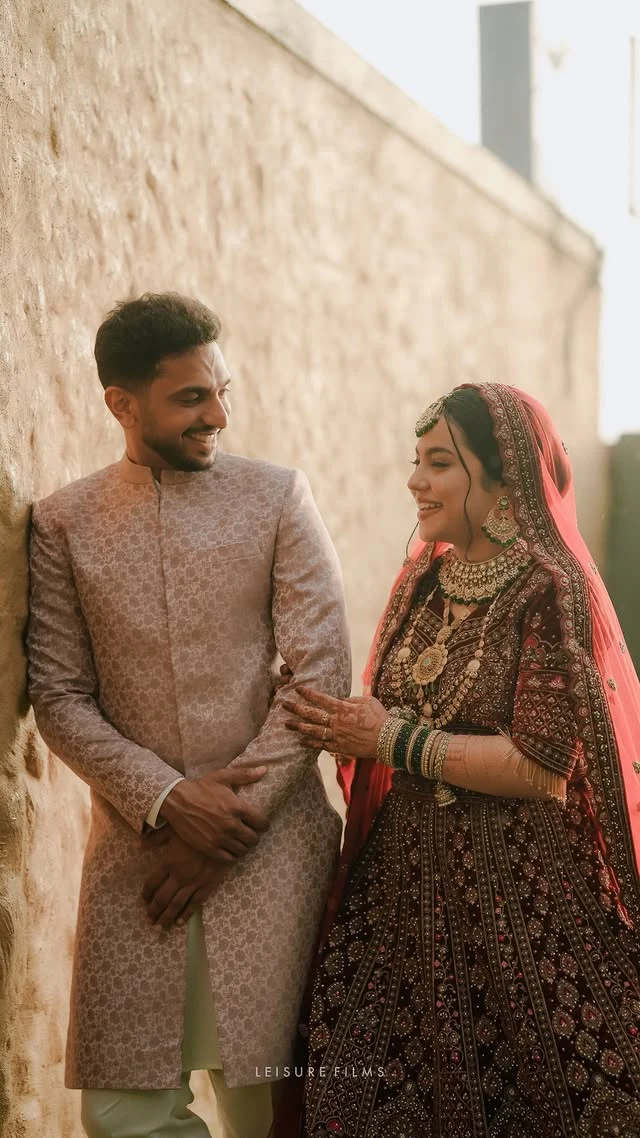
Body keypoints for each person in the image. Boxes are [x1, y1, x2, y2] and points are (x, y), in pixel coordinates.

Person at [26, 292, 351, 1138]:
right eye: (192, 398)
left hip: (270, 851)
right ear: (121, 405)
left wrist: (226, 827)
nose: (218, 414)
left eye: (223, 391)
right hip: (141, 857)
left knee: (265, 1107)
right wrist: (172, 803)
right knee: (121, 1113)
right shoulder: (64, 524)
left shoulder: (277, 497)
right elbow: (58, 696)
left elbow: (319, 675)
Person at [284, 383, 640, 1137]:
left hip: (524, 899)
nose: (416, 480)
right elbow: (391, 711)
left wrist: (387, 739)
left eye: (440, 463)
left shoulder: (552, 590)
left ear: (504, 476)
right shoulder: (422, 581)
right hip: (398, 898)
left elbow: (542, 766)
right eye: (416, 461)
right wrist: (335, 719)